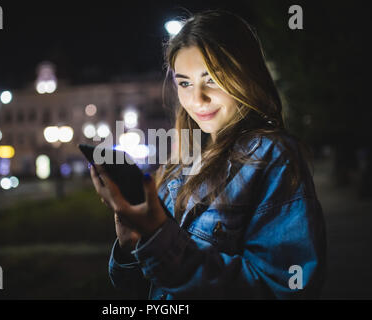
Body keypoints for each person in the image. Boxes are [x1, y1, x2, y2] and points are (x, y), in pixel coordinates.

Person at [89, 9, 327, 299]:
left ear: (244, 74)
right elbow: (144, 289)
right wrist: (133, 244)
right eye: (185, 83)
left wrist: (163, 242)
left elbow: (283, 288)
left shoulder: (272, 155)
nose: (197, 98)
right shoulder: (183, 161)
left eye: (212, 78)